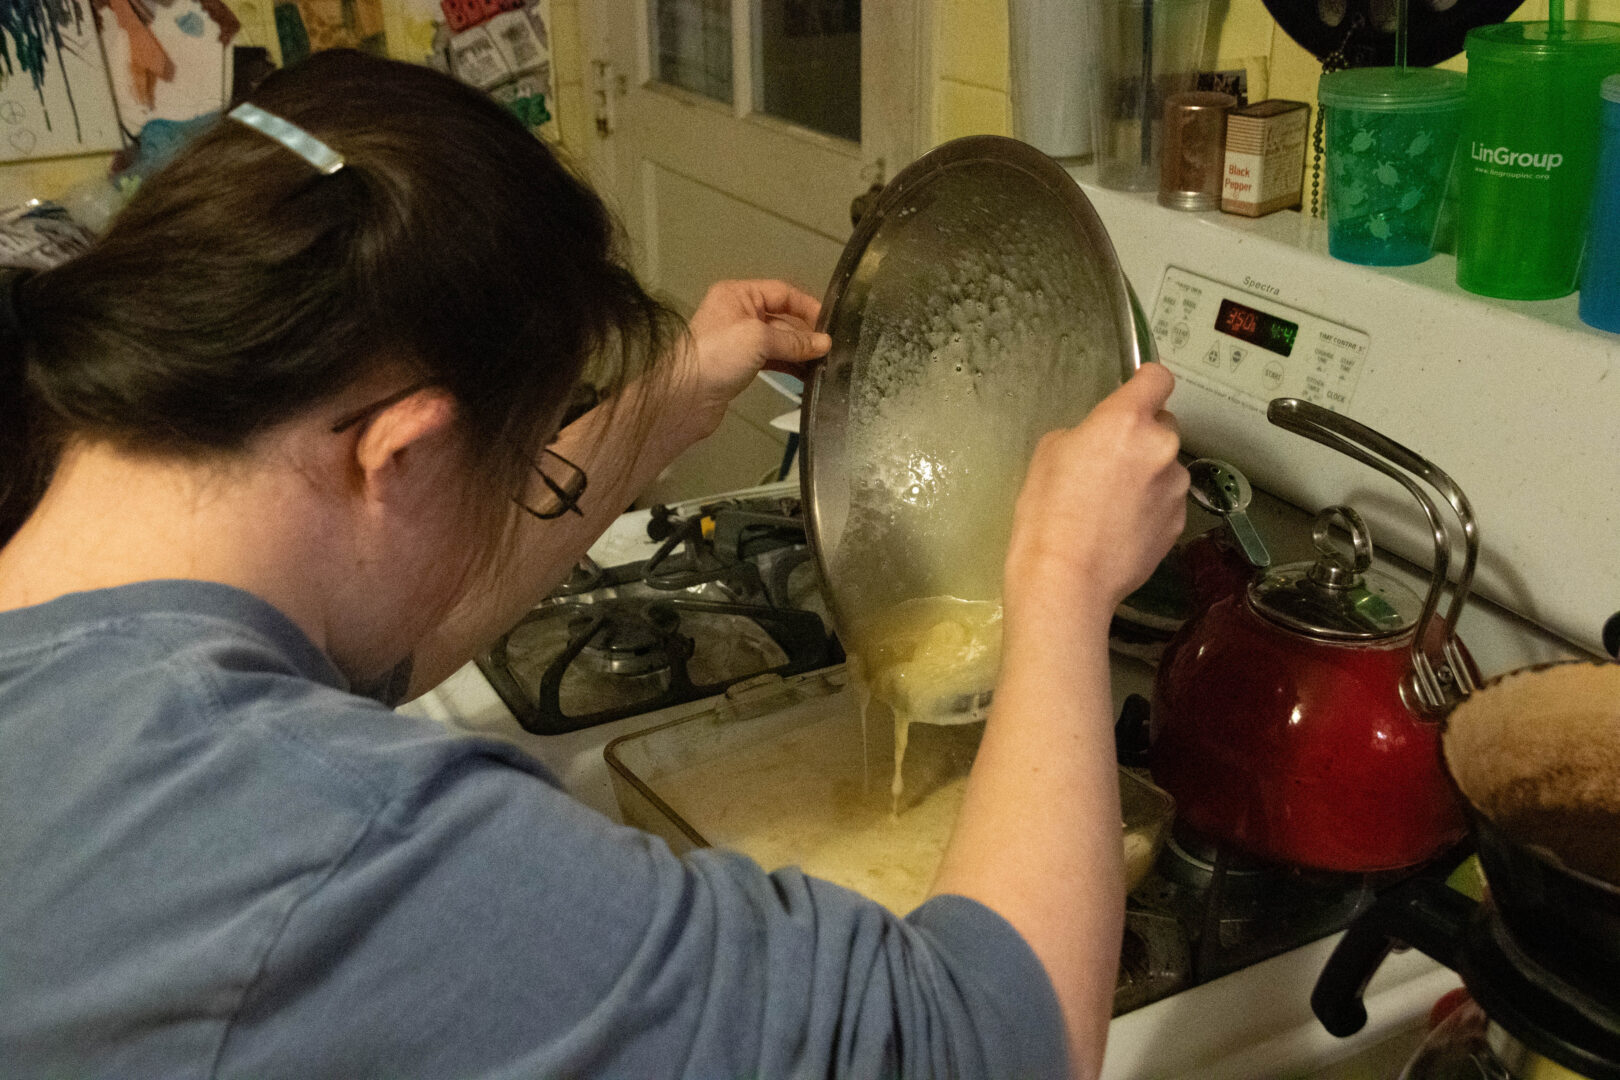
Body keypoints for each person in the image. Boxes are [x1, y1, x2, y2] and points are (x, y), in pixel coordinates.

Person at [0, 50, 1187, 1080]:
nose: (523, 495)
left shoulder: (87, 625)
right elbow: (984, 1047)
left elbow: (369, 632)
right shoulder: (329, 848)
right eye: (521, 462)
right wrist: (1064, 581)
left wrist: (666, 401)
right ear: (400, 451)